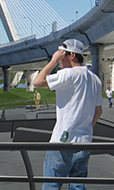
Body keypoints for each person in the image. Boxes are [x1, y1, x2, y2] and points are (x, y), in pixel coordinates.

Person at [34, 39, 103, 190]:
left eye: (61, 55)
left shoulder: (68, 74)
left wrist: (52, 61)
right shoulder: (95, 79)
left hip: (62, 141)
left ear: (71, 56)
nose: (59, 59)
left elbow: (37, 82)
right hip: (84, 142)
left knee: (52, 186)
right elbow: (98, 112)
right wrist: (84, 127)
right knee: (77, 187)